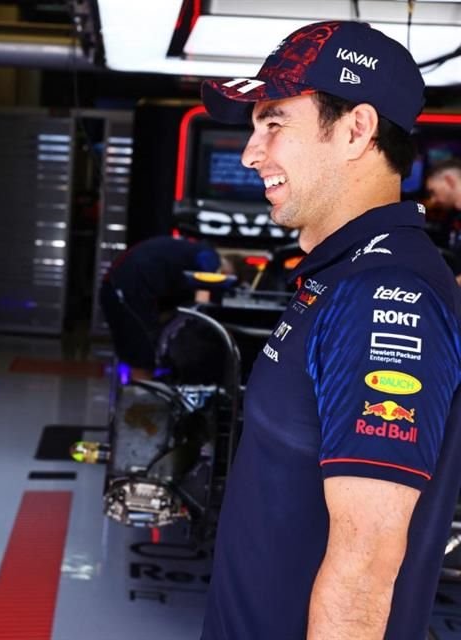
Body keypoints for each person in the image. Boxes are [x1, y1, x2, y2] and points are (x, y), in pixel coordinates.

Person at [200, 20, 461, 639]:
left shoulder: (381, 294)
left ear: (356, 130)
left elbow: (366, 567)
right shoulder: (342, 276)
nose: (250, 152)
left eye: (274, 122)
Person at [98, 236, 227, 381]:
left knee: (136, 347)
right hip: (127, 288)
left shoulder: (184, 251)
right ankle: (142, 396)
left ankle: (139, 391)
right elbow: (206, 284)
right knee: (142, 347)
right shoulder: (209, 254)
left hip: (120, 286)